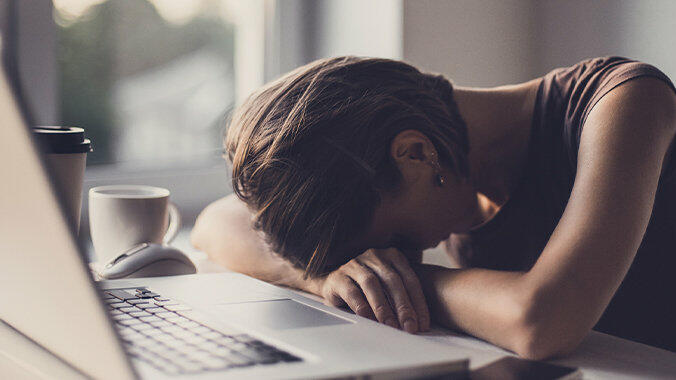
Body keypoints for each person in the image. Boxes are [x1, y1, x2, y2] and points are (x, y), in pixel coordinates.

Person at [191, 56, 676, 359]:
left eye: (394, 246)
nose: (401, 257)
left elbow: (543, 322)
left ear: (415, 154)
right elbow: (217, 222)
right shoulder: (450, 172)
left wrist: (401, 283)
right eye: (389, 256)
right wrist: (325, 276)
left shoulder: (626, 102)